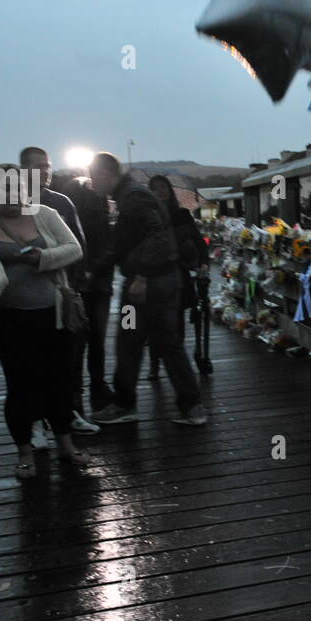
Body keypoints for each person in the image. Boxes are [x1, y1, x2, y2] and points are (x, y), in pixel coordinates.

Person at [0, 164, 86, 478]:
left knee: (59, 380)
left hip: (55, 313)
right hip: (8, 318)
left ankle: (66, 445)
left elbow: (74, 248)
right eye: (2, 189)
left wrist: (43, 258)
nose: (10, 195)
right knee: (20, 384)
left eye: (16, 189)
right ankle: (25, 453)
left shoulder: (46, 214)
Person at [87, 153, 205, 426]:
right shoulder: (131, 196)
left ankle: (126, 405)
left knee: (129, 343)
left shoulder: (134, 198)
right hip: (160, 281)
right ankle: (192, 407)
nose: (92, 183)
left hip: (146, 286)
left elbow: (156, 236)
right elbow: (123, 242)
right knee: (166, 344)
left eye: (94, 177)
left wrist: (141, 274)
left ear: (105, 174)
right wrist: (96, 268)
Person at [19, 146, 99, 435]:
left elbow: (79, 243)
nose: (46, 171)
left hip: (61, 289)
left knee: (69, 356)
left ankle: (71, 412)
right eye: (39, 166)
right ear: (24, 169)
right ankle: (38, 419)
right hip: (25, 293)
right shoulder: (12, 202)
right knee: (33, 360)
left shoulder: (62, 202)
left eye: (48, 165)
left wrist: (76, 286)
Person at [55, 171, 115, 411]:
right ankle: (96, 387)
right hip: (97, 283)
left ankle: (76, 393)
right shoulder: (102, 214)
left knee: (77, 341)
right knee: (95, 340)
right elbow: (111, 245)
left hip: (79, 282)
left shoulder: (67, 214)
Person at [145, 175, 209, 379]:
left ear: (169, 190)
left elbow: (198, 241)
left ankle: (177, 367)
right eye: (155, 188)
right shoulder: (147, 216)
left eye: (163, 187)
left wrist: (203, 262)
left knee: (177, 321)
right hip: (154, 275)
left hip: (179, 274)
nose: (160, 191)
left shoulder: (182, 215)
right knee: (155, 324)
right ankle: (155, 365)